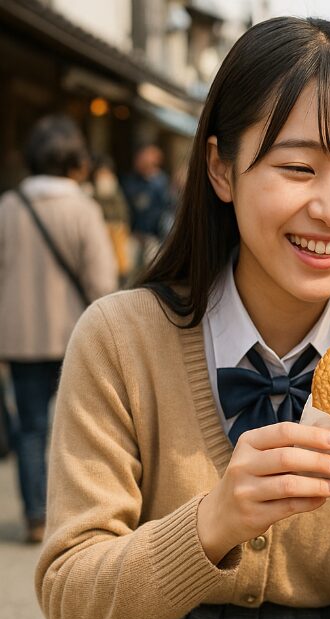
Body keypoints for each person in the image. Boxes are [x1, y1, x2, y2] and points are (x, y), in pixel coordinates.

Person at [36, 17, 330, 619]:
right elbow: (72, 603)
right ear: (221, 168)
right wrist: (212, 522)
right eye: (298, 167)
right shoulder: (121, 337)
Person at [0, 115, 117, 544]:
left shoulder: (9, 207)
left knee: (29, 427)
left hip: (19, 337)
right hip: (75, 335)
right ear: (74, 160)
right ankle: (69, 517)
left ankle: (34, 516)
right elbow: (102, 281)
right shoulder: (83, 208)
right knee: (75, 428)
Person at [120, 143, 172, 268]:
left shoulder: (160, 182)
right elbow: (127, 208)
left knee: (151, 269)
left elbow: (165, 210)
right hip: (134, 235)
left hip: (153, 237)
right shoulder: (131, 181)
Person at [88, 154, 134, 285]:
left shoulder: (116, 191)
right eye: (102, 172)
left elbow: (124, 215)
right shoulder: (89, 192)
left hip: (117, 245)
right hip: (99, 244)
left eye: (107, 172)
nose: (105, 175)